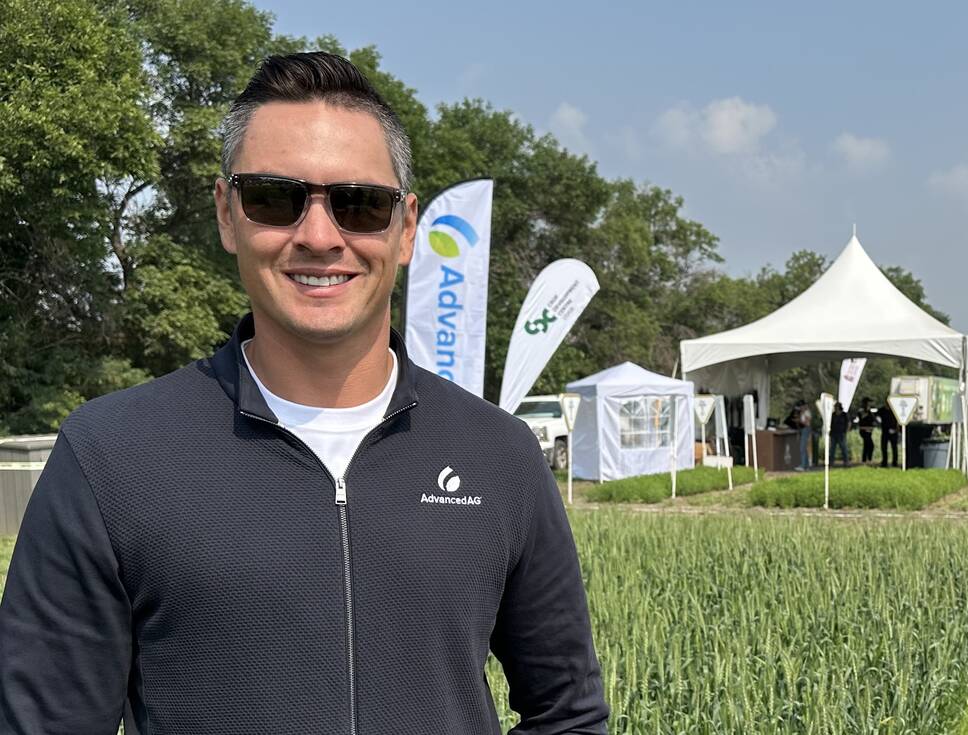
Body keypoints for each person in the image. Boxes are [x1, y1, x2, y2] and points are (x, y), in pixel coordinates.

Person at [0, 53, 608, 734]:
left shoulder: (500, 454)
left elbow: (568, 712)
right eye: (275, 198)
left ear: (405, 227)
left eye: (359, 203)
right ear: (228, 215)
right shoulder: (113, 458)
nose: (320, 236)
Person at [786, 400, 813, 471]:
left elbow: (807, 423)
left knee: (802, 448)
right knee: (804, 448)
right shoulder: (803, 412)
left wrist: (799, 421)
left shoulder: (807, 413)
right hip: (803, 429)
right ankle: (806, 465)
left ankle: (803, 466)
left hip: (805, 429)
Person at [878, 400, 900, 468]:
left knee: (894, 447)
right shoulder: (881, 410)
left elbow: (898, 420)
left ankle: (895, 462)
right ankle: (884, 462)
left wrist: (897, 429)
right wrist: (879, 422)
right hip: (885, 431)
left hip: (893, 431)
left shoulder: (895, 409)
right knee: (884, 447)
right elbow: (877, 417)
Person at [856, 397, 877, 464]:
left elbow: (873, 419)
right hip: (864, 430)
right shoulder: (861, 411)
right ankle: (866, 459)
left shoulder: (870, 411)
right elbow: (862, 418)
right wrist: (868, 411)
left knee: (868, 445)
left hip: (869, 430)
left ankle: (866, 459)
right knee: (869, 445)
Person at [830, 401, 850, 466]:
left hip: (841, 433)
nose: (835, 408)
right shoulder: (833, 414)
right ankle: (831, 462)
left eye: (836, 407)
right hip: (833, 433)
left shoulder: (844, 414)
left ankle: (846, 462)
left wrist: (846, 431)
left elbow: (848, 423)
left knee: (843, 448)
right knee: (832, 449)